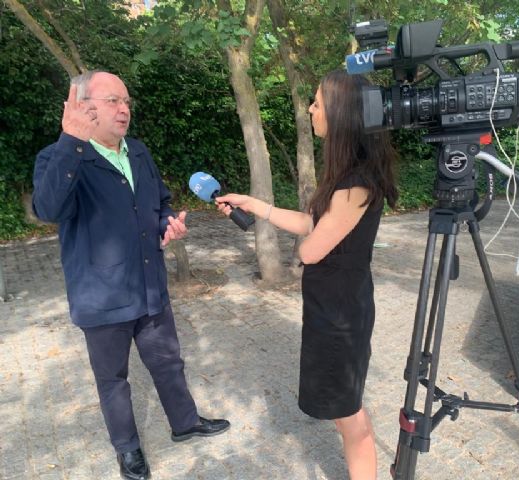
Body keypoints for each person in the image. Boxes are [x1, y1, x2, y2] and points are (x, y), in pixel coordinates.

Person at [32, 71, 230, 480]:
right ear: (82, 107)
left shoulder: (137, 151)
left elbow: (159, 203)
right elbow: (48, 209)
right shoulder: (58, 157)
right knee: (113, 379)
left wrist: (167, 224)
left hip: (149, 284)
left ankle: (185, 422)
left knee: (168, 361)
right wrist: (71, 141)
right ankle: (127, 450)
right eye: (113, 101)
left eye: (126, 102)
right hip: (102, 297)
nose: (124, 109)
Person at [216, 69, 398, 479]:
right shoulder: (346, 176)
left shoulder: (356, 184)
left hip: (340, 317)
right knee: (344, 411)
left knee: (348, 413)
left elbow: (311, 249)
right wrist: (255, 205)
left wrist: (309, 240)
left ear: (341, 114)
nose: (311, 109)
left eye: (317, 103)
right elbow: (310, 223)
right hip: (330, 309)